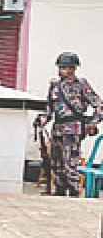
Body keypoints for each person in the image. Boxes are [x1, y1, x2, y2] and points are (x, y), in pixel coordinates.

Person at [35, 52, 103, 196]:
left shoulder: (81, 85)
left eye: (65, 68)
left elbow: (99, 105)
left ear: (73, 69)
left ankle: (74, 192)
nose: (62, 71)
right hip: (58, 129)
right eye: (60, 67)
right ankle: (59, 192)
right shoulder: (55, 86)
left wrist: (92, 122)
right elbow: (49, 109)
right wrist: (41, 121)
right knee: (56, 164)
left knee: (70, 164)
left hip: (73, 129)